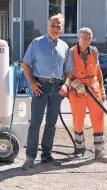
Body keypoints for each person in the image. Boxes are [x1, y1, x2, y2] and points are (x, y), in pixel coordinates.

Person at [21, 13, 73, 170]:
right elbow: (26, 64)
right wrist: (31, 83)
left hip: (57, 89)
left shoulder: (64, 47)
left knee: (51, 124)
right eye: (53, 25)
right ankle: (30, 157)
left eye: (59, 26)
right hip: (40, 88)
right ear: (48, 25)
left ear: (62, 28)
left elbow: (69, 71)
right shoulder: (36, 43)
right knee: (35, 123)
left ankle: (46, 155)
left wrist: (66, 84)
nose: (56, 28)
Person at [59, 27, 107, 163]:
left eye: (89, 38)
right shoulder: (71, 52)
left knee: (98, 117)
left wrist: (102, 89)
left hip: (93, 88)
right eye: (84, 38)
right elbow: (67, 73)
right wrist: (75, 84)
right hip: (77, 89)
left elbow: (98, 72)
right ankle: (80, 149)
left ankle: (99, 150)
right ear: (78, 38)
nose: (87, 40)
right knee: (78, 118)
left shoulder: (94, 51)